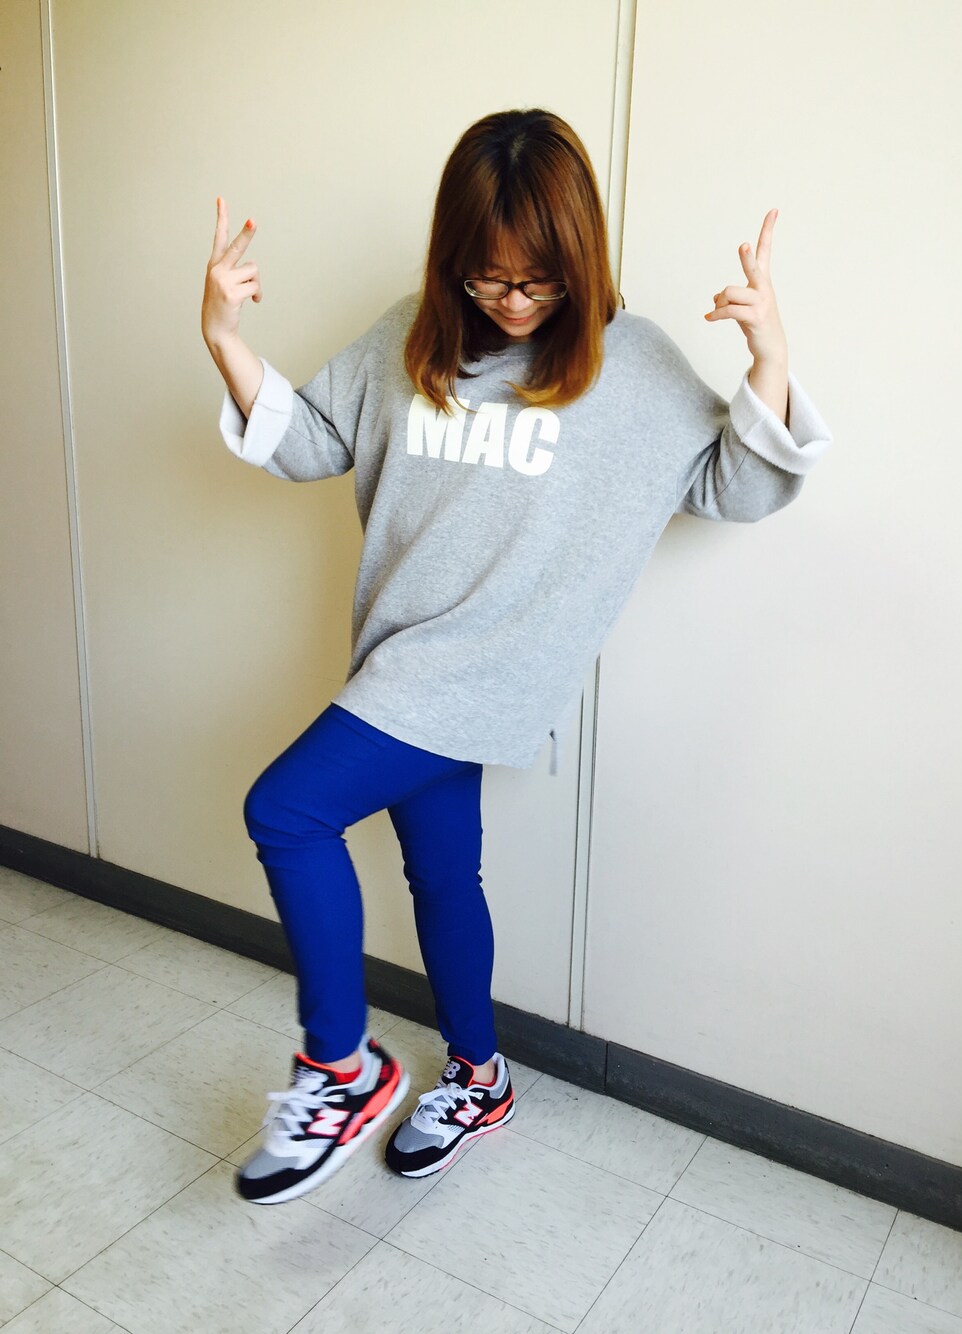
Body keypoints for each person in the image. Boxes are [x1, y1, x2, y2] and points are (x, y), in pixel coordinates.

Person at [201, 108, 832, 1206]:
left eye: (539, 280)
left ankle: (339, 1070)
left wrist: (770, 357)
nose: (514, 301)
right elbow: (312, 442)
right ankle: (480, 1079)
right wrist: (225, 339)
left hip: (485, 674)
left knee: (286, 811)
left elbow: (733, 485)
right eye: (488, 277)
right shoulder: (411, 339)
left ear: (580, 259)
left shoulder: (629, 365)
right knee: (445, 874)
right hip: (401, 652)